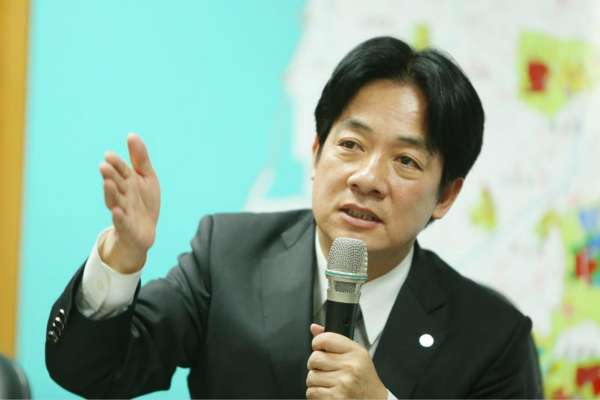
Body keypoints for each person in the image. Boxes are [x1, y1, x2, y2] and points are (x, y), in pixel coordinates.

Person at [45, 36, 543, 398]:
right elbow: (94, 372)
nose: (368, 178)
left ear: (446, 195)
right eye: (351, 145)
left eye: (406, 161)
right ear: (316, 152)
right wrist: (123, 256)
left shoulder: (492, 338)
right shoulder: (227, 256)